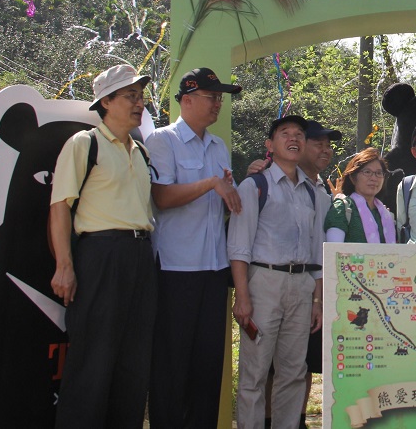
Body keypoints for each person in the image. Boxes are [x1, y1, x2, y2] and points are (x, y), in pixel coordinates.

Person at [49, 64, 157, 428]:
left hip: (141, 258)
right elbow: (60, 208)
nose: (139, 103)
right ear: (106, 101)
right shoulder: (85, 143)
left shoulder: (141, 152)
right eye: (130, 96)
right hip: (100, 256)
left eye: (141, 96)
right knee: (92, 361)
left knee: (133, 363)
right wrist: (64, 265)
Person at [145, 67, 242, 429]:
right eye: (211, 96)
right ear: (187, 99)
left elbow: (221, 196)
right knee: (172, 366)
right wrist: (211, 184)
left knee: (207, 366)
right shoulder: (161, 140)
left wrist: (230, 188)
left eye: (220, 97)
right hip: (175, 270)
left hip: (214, 269)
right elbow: (162, 197)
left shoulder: (218, 146)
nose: (218, 103)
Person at [228, 114, 324, 429]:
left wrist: (317, 300)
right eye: (285, 133)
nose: (294, 138)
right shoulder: (254, 185)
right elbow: (239, 246)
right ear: (270, 144)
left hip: (301, 285)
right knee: (254, 373)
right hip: (263, 282)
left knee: (294, 372)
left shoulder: (311, 192)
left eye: (299, 134)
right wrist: (242, 297)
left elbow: (316, 250)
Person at [324, 148, 396, 244]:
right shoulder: (342, 209)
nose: (374, 178)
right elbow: (334, 253)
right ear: (353, 178)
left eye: (379, 173)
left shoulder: (385, 214)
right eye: (367, 172)